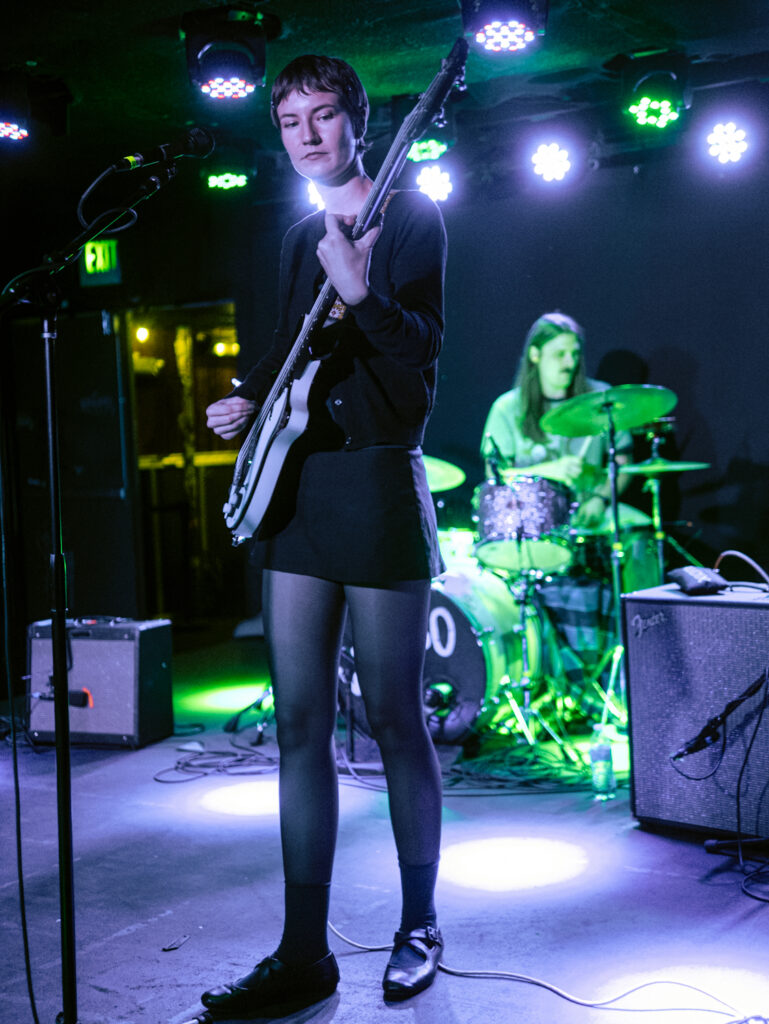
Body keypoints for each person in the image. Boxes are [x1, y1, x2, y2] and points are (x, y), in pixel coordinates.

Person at [200, 54, 447, 1017]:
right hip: (299, 496)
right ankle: (304, 951)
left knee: (393, 719)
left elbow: (419, 357)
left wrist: (362, 290)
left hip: (378, 485)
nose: (306, 135)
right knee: (299, 723)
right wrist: (245, 395)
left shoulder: (413, 215)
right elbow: (285, 343)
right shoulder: (300, 234)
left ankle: (418, 925)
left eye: (322, 116)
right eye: (289, 121)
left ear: (357, 120)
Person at [480, 311, 632, 529]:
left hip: (590, 515)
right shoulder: (507, 408)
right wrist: (552, 470)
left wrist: (601, 499)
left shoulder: (601, 399)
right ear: (535, 354)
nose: (570, 362)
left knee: (638, 533)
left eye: (575, 354)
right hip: (530, 523)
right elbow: (496, 476)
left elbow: (623, 462)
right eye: (560, 354)